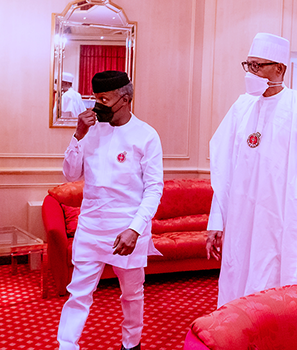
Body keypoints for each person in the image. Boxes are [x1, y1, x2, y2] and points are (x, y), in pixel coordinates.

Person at [206, 33, 297, 308]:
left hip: (285, 224)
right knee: (237, 287)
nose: (251, 72)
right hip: (242, 222)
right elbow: (223, 171)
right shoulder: (241, 108)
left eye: (258, 66)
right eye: (248, 65)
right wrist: (216, 221)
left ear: (280, 68)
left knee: (277, 299)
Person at [57, 71, 163, 350]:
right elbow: (70, 174)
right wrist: (78, 135)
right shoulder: (91, 132)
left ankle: (131, 344)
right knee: (77, 293)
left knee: (131, 295)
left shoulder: (146, 135)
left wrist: (135, 229)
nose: (97, 105)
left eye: (104, 99)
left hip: (128, 230)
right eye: (95, 98)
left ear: (125, 98)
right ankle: (66, 346)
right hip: (91, 226)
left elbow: (154, 189)